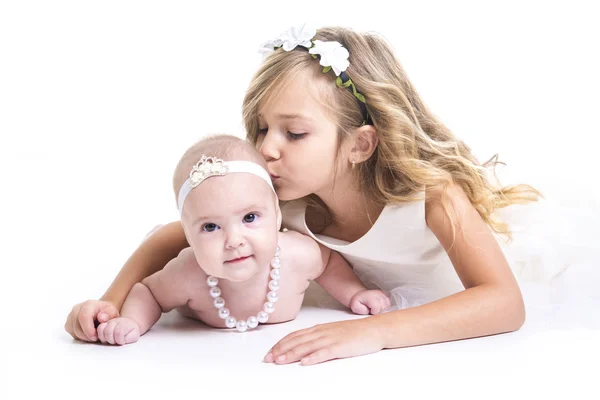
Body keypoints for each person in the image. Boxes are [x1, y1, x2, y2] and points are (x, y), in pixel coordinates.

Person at [66, 24, 549, 364]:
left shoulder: (430, 196)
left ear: (359, 143)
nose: (266, 149)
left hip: (448, 311)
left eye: (294, 134)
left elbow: (505, 303)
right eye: (260, 129)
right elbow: (170, 238)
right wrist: (109, 302)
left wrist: (373, 334)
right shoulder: (283, 205)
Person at [92, 134, 391, 344]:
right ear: (188, 235)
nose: (233, 240)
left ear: (276, 214)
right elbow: (149, 292)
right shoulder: (187, 274)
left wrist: (354, 293)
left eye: (249, 218)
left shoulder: (297, 255)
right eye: (210, 227)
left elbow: (327, 263)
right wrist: (132, 321)